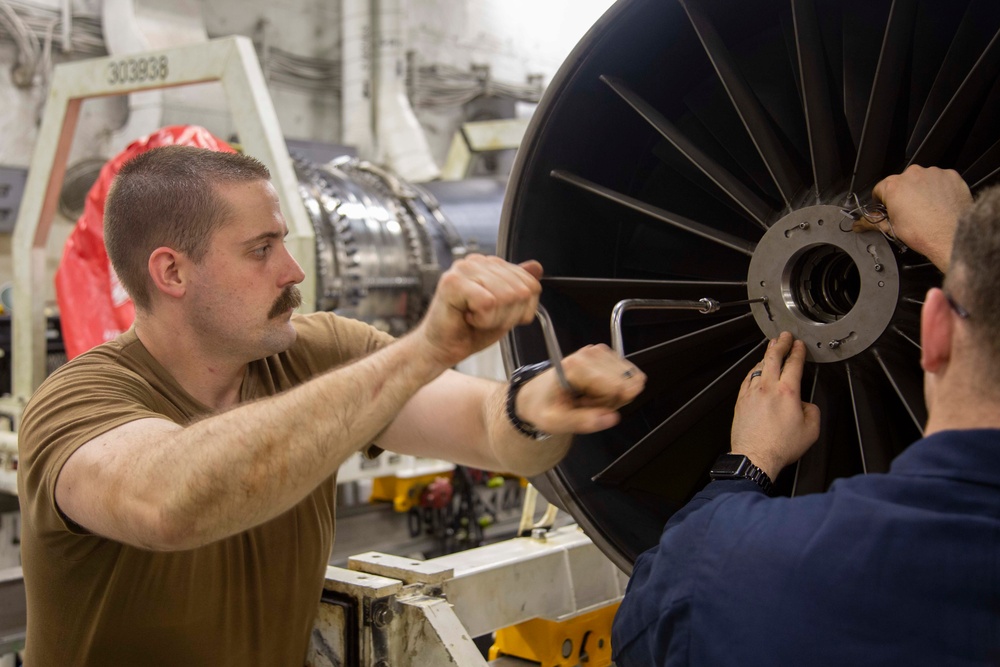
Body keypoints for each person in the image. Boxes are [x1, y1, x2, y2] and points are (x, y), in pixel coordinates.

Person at [17, 145, 646, 666]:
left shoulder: (319, 351)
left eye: (283, 243)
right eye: (261, 250)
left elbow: (487, 427)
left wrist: (539, 401)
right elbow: (168, 502)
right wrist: (421, 350)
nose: (292, 270)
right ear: (172, 273)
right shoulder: (78, 402)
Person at [612, 165, 1000, 666]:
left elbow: (656, 614)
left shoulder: (732, 575)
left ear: (936, 330)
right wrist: (959, 245)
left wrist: (749, 460)